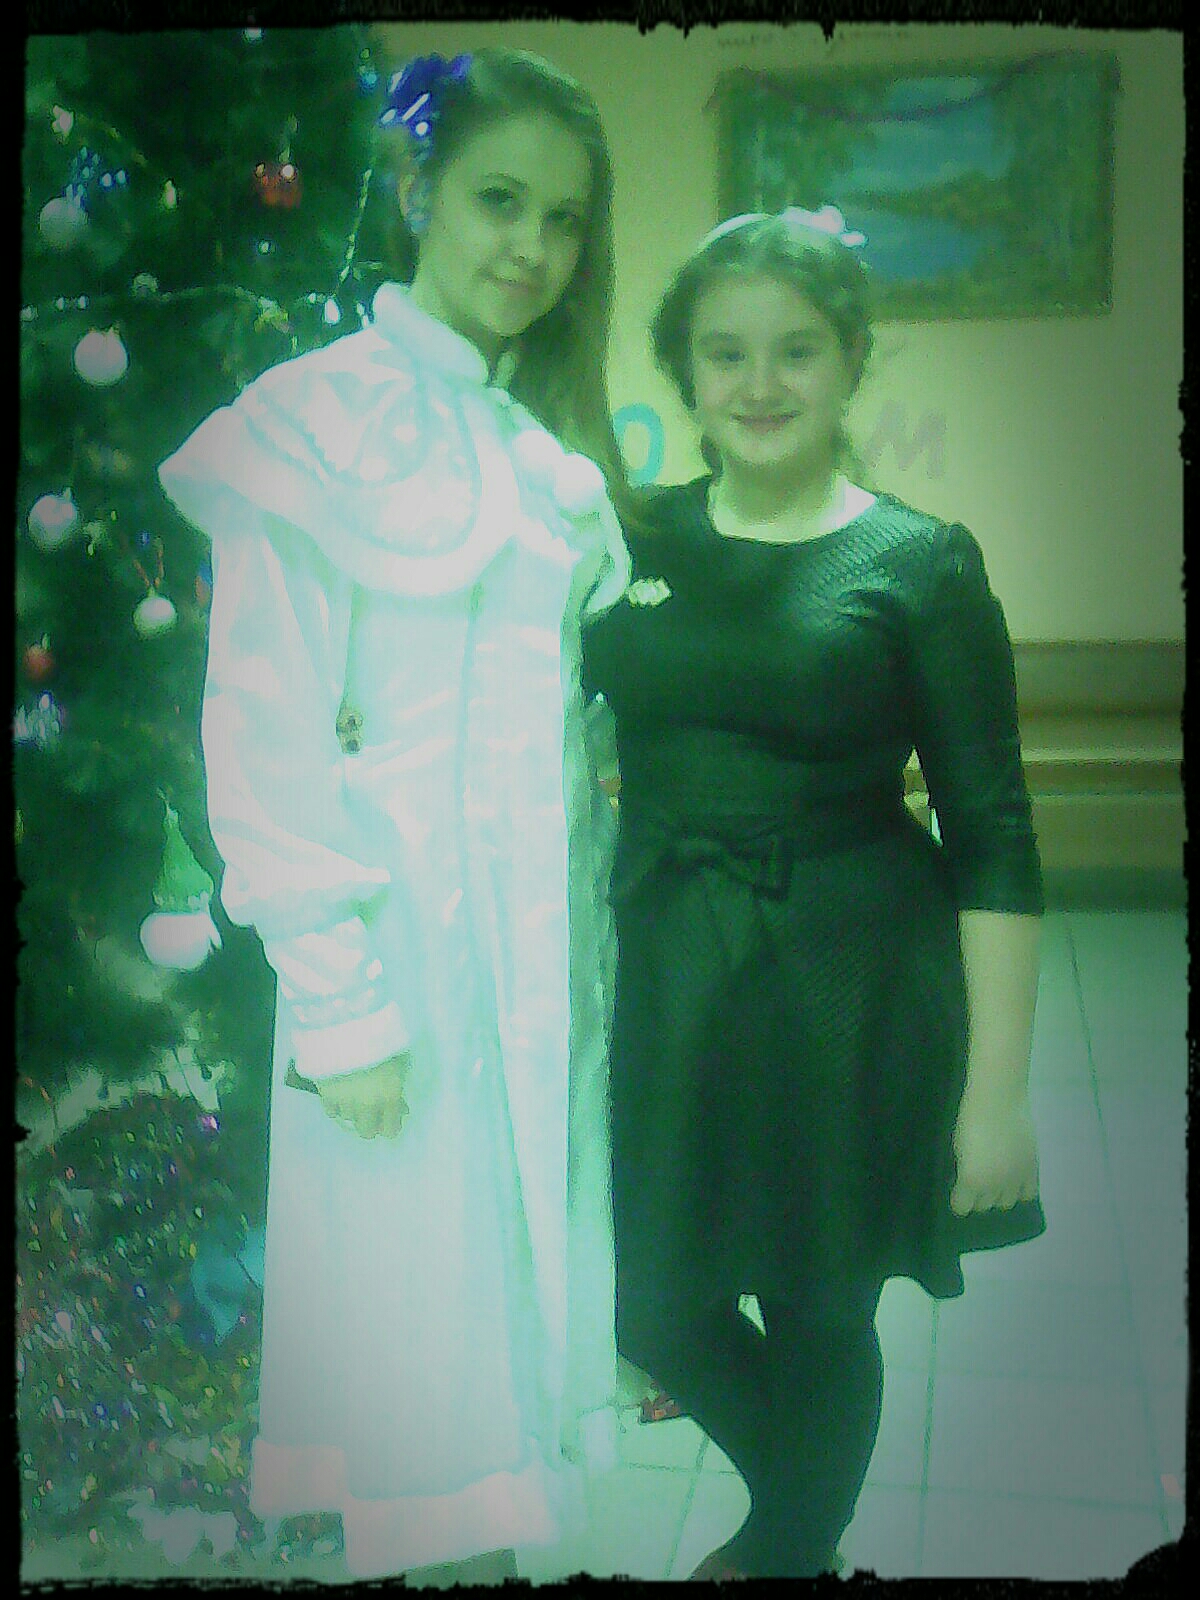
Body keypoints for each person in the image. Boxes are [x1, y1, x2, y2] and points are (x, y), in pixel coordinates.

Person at [157, 48, 633, 1585]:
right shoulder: (314, 424)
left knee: (509, 1360)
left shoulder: (527, 442)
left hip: (533, 984)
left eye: (564, 219)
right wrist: (343, 1007)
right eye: (500, 199)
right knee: (421, 1390)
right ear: (419, 189)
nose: (532, 247)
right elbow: (264, 736)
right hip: (400, 979)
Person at [582, 206, 1045, 1580]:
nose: (761, 382)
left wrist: (996, 1097)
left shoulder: (918, 562)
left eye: (796, 349)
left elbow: (994, 835)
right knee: (647, 1299)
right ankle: (799, 1543)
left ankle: (781, 1553)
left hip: (853, 987)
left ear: (851, 360)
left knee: (820, 1305)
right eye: (725, 352)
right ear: (685, 369)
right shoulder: (630, 538)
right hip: (667, 972)